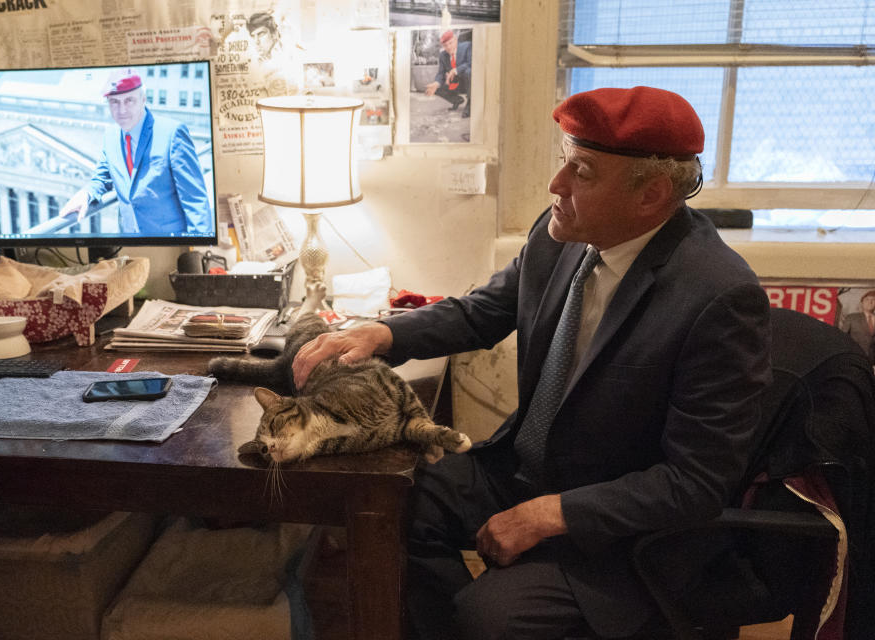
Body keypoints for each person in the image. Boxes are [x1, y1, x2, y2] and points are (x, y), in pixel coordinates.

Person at [292, 86, 772, 639]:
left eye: (582, 171)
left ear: (651, 195)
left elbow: (695, 482)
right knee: (395, 500)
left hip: (620, 533)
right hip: (529, 470)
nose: (556, 185)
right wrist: (382, 332)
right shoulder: (563, 234)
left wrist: (548, 515)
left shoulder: (717, 295)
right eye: (563, 161)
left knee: (491, 617)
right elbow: (483, 312)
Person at [59, 69, 212, 235]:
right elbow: (102, 177)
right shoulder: (110, 136)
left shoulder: (172, 133)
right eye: (114, 102)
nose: (122, 110)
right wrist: (86, 194)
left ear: (143, 100)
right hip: (130, 239)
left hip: (169, 242)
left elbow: (195, 200)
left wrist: (199, 246)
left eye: (129, 100)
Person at [425, 30, 471, 118]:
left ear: (455, 40)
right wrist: (436, 83)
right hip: (454, 83)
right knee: (435, 87)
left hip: (467, 82)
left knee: (468, 71)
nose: (449, 47)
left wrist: (456, 70)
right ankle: (456, 100)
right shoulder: (443, 55)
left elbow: (471, 62)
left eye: (450, 43)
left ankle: (470, 103)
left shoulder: (467, 46)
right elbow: (441, 73)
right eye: (445, 45)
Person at [840, 289, 875, 365]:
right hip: (855, 358)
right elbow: (843, 338)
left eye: (873, 299)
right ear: (862, 303)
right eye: (867, 299)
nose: (870, 302)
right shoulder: (851, 317)